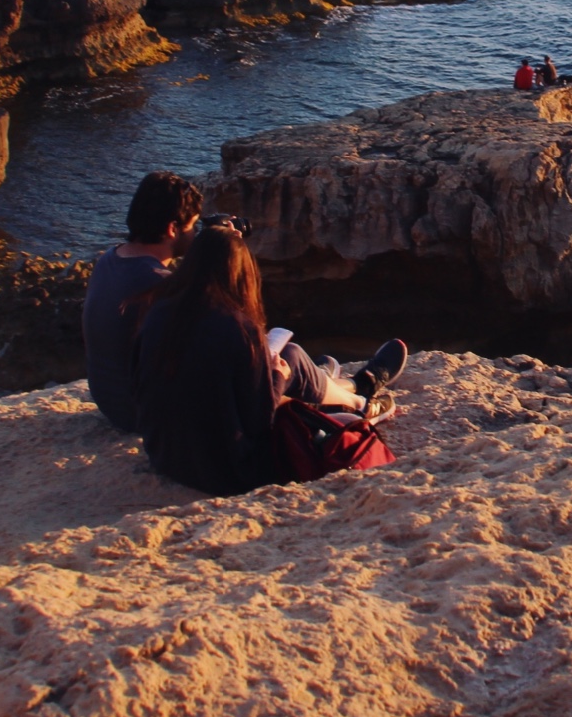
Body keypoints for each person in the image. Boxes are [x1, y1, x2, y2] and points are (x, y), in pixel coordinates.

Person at [130, 225, 406, 496]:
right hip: (227, 473)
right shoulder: (236, 327)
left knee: (291, 357)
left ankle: (347, 388)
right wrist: (277, 378)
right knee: (295, 365)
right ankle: (360, 398)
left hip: (165, 456)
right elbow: (257, 420)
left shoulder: (158, 311)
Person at [83, 172, 206, 431]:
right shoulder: (160, 285)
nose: (195, 233)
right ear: (172, 229)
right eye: (192, 226)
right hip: (144, 415)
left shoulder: (109, 258)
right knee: (288, 357)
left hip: (110, 402)